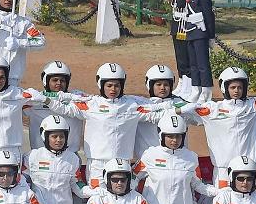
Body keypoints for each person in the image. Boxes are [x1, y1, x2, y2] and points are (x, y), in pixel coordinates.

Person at [45, 62, 182, 187]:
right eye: (109, 85)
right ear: (101, 84)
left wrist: (180, 109)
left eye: (117, 85)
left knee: (122, 199)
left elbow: (155, 115)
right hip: (97, 165)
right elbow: (64, 109)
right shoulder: (91, 104)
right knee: (97, 198)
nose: (113, 89)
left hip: (123, 163)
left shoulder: (132, 106)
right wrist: (45, 99)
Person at [173, 0, 216, 102]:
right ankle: (196, 89)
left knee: (202, 64)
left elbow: (208, 15)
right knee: (193, 63)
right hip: (190, 30)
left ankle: (206, 92)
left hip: (200, 31)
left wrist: (211, 35)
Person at [25, 61, 83, 154]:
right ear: (46, 80)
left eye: (62, 80)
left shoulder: (77, 98)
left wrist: (47, 100)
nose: (59, 83)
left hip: (70, 156)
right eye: (55, 80)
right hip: (40, 156)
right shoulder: (35, 99)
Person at [134, 64, 184, 159]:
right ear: (150, 84)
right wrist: (177, 111)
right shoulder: (141, 104)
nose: (162, 88)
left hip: (177, 160)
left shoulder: (180, 103)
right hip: (148, 161)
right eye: (158, 84)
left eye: (166, 84)